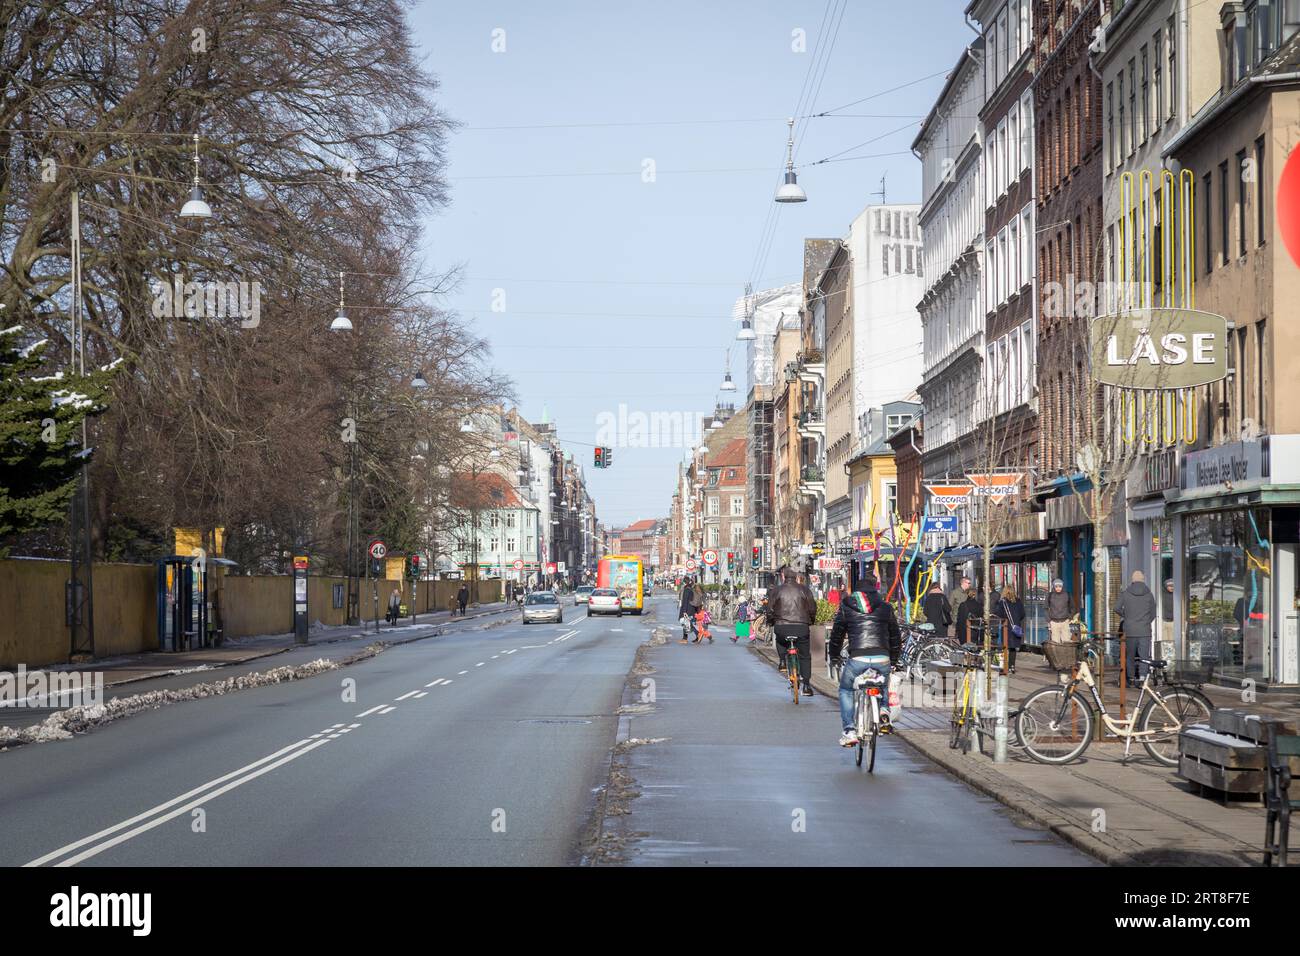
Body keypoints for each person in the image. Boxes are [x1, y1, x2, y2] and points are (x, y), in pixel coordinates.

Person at [829, 575, 901, 746]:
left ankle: (849, 731)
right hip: (882, 656)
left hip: (857, 657)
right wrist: (894, 660)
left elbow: (837, 634)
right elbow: (895, 636)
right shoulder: (885, 607)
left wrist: (834, 656)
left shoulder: (847, 605)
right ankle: (884, 711)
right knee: (883, 683)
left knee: (846, 690)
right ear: (875, 590)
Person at [768, 567, 818, 698]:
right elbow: (812, 608)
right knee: (805, 656)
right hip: (801, 626)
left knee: (780, 639)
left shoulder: (777, 590)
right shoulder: (805, 590)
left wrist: (771, 622)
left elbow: (770, 609)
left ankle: (783, 661)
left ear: (783, 577)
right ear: (796, 578)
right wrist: (811, 621)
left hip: (782, 625)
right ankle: (807, 686)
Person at [1114, 570, 1157, 683]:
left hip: (1130, 629)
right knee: (1144, 656)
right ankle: (1143, 677)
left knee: (1130, 656)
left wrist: (1126, 616)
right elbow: (1153, 612)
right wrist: (1146, 621)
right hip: (1144, 630)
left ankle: (1131, 677)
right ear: (1143, 580)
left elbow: (1116, 608)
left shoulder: (1125, 593)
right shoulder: (1149, 594)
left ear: (1132, 580)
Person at [994, 585, 1026, 673]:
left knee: (1005, 647)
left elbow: (998, 614)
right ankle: (1012, 666)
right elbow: (1023, 614)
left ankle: (1005, 666)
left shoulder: (1002, 602)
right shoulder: (1018, 601)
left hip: (1006, 627)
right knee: (1013, 648)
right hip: (1016, 627)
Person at [1046, 578, 1075, 643]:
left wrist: (1070, 617)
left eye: (1060, 586)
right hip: (1054, 622)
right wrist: (1049, 620)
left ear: (1062, 586)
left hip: (1065, 622)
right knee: (1055, 642)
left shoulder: (1067, 594)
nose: (1058, 588)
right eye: (1056, 586)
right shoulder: (1049, 595)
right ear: (1054, 586)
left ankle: (1066, 653)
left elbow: (1072, 607)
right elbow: (1046, 608)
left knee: (1066, 641)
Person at [678, 576, 700, 643]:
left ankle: (697, 634)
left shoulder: (686, 590)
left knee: (688, 624)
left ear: (684, 582)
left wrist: (684, 611)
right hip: (691, 609)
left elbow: (685, 601)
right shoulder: (690, 588)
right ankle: (685, 638)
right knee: (686, 624)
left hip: (687, 609)